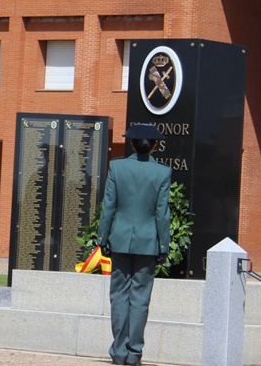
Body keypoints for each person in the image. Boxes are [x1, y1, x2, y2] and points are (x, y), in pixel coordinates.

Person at [97, 123, 171, 366]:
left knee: (118, 296)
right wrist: (163, 246)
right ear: (154, 146)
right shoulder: (162, 172)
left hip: (119, 240)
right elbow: (162, 214)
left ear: (131, 144)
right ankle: (134, 353)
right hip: (148, 243)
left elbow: (109, 206)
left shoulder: (117, 167)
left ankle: (118, 351)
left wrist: (102, 238)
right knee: (140, 299)